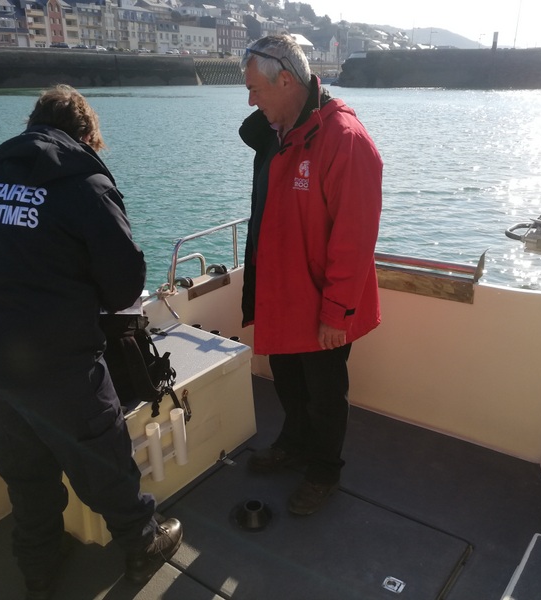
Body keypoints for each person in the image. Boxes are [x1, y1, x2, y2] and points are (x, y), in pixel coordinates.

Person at [0, 84, 182, 600]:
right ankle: (142, 541)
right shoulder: (83, 181)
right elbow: (126, 279)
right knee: (102, 456)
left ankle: (38, 568)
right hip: (58, 359)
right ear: (86, 134)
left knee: (26, 474)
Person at [239, 36, 383, 515]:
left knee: (324, 394)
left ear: (286, 80)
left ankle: (324, 469)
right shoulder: (276, 132)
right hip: (281, 293)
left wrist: (337, 313)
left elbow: (354, 239)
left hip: (322, 301)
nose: (251, 100)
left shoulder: (345, 140)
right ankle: (293, 444)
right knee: (288, 382)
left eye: (256, 89)